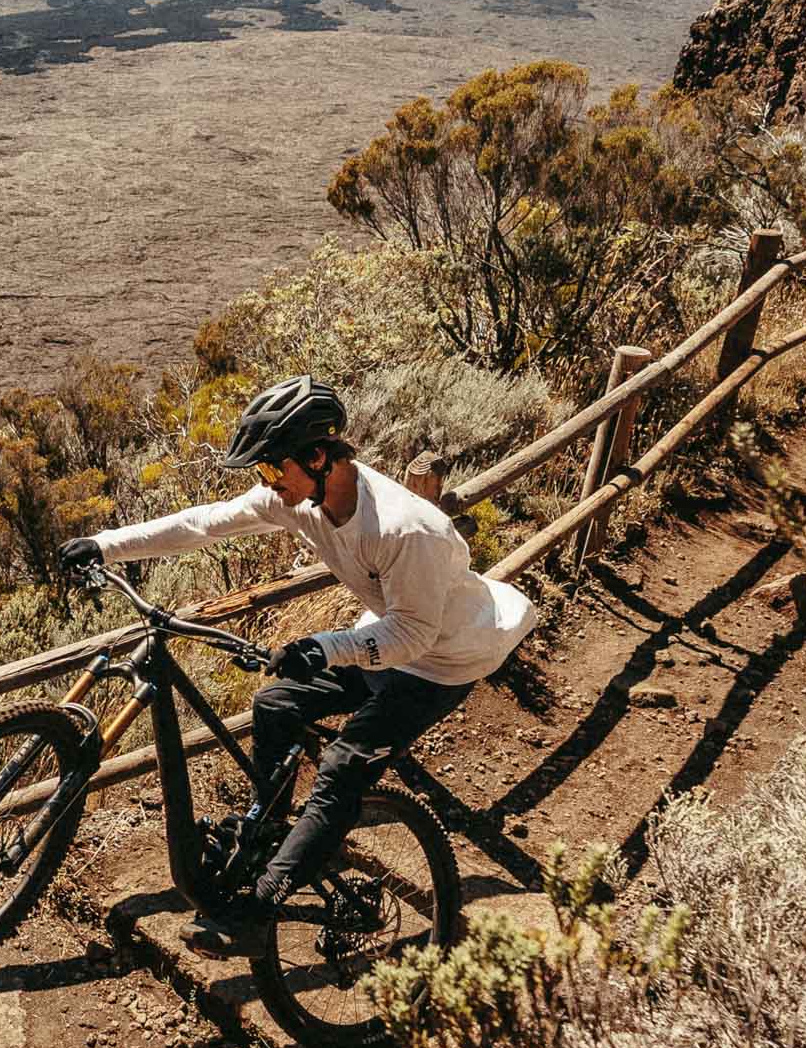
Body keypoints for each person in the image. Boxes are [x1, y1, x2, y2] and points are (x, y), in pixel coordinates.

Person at [55, 374, 536, 944]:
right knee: (275, 705)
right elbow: (205, 523)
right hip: (389, 640)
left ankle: (260, 911)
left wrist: (323, 647)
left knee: (342, 769)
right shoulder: (303, 495)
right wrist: (107, 543)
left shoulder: (408, 530)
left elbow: (412, 636)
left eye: (269, 468)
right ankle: (275, 837)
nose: (265, 481)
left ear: (316, 456)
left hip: (444, 660)